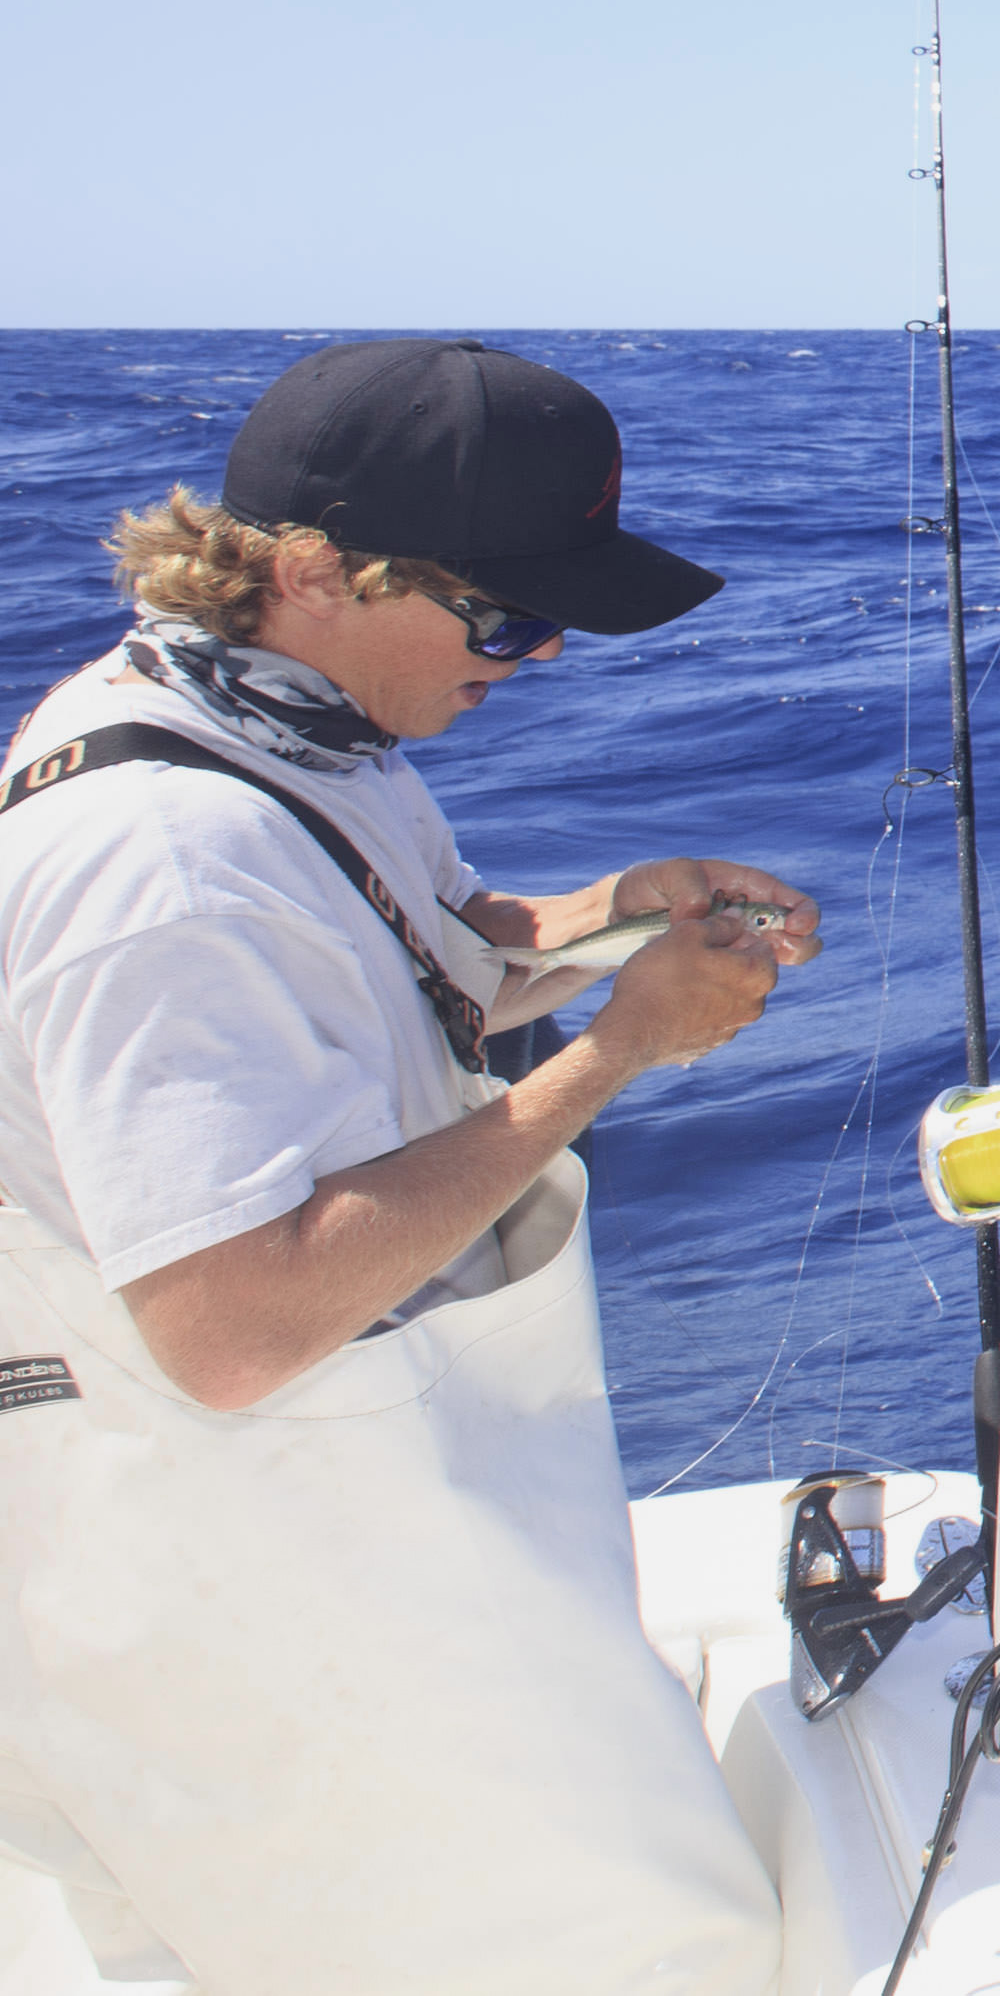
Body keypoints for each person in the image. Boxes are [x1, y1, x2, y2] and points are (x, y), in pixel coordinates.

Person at [0, 339, 817, 1994]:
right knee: (644, 1949)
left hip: (333, 1500)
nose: (537, 656)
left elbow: (427, 944)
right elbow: (234, 1323)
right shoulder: (157, 866)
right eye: (504, 617)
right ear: (311, 570)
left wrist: (610, 917)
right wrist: (618, 1051)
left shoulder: (275, 736)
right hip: (243, 1559)